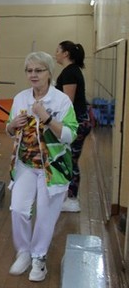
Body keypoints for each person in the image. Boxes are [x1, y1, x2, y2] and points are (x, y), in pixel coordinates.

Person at [6, 51, 78, 282]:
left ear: (49, 72)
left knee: (46, 215)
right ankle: (24, 251)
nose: (33, 75)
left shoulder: (61, 101)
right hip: (25, 164)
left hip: (53, 168)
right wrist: (12, 125)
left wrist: (46, 118)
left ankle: (39, 257)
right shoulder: (20, 98)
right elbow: (9, 130)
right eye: (29, 71)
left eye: (39, 70)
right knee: (18, 209)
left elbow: (70, 135)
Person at [55, 41, 91, 213]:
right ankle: (67, 195)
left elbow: (67, 102)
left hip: (77, 123)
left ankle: (71, 199)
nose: (55, 53)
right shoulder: (71, 71)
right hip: (78, 121)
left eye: (58, 50)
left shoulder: (70, 72)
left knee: (71, 161)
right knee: (68, 159)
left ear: (66, 54)